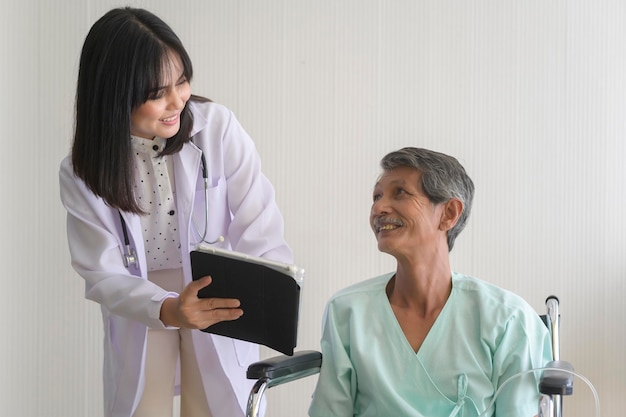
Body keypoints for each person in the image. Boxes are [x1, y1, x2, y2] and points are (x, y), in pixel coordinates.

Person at [59, 7, 293, 417]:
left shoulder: (216, 128)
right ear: (115, 96)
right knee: (143, 407)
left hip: (214, 291)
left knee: (213, 406)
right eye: (156, 93)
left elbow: (260, 224)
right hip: (143, 299)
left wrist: (266, 298)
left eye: (181, 81)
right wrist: (167, 308)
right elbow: (100, 271)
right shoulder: (82, 170)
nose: (176, 101)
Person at [308, 147, 552, 417]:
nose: (378, 207)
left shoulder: (509, 319)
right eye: (376, 196)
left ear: (448, 213)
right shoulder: (347, 312)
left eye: (399, 192)